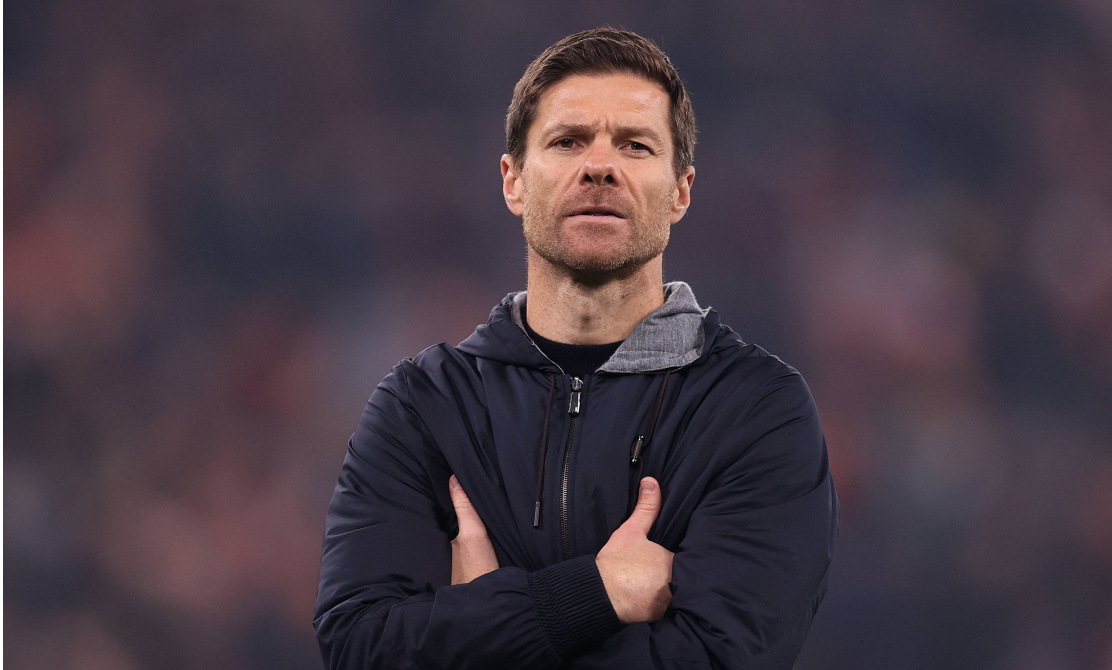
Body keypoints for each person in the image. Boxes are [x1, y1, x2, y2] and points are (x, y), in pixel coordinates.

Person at [314, 27, 838, 669]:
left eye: (635, 145)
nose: (599, 166)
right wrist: (597, 592)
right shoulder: (420, 408)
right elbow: (359, 648)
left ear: (680, 191)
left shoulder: (757, 410)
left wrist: (483, 624)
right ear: (513, 181)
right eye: (567, 141)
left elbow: (722, 659)